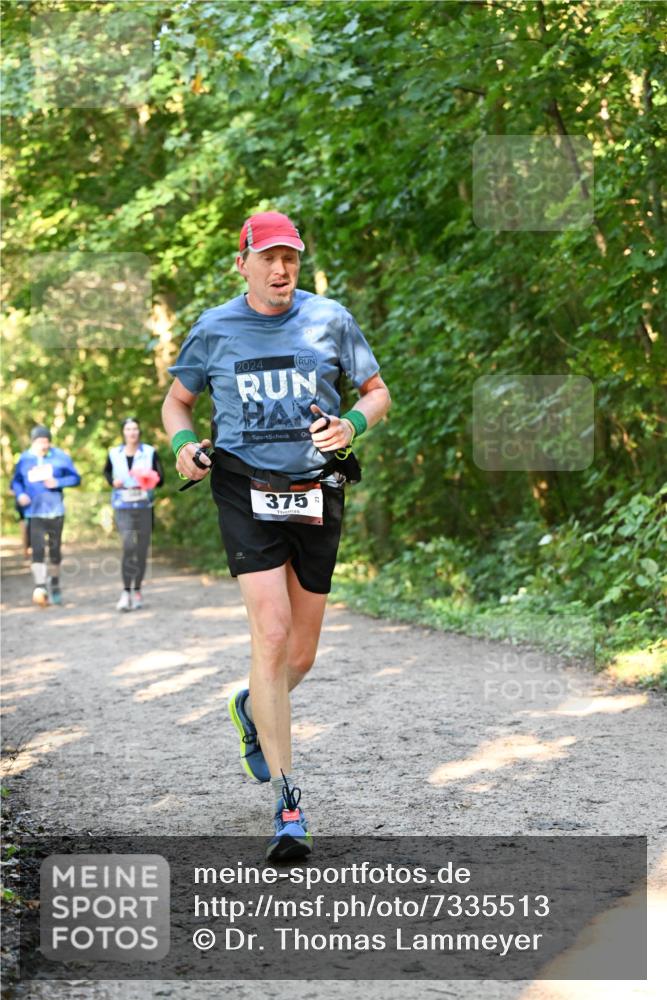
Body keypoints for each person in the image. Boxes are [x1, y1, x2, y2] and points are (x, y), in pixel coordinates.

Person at [162, 210, 391, 861]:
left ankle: (250, 706)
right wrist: (182, 443)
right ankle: (288, 804)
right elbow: (177, 401)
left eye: (289, 256)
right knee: (271, 632)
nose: (280, 268)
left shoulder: (329, 319)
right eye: (267, 257)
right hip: (243, 489)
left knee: (299, 657)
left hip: (317, 489)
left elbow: (376, 393)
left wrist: (351, 423)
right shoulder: (214, 329)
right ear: (243, 263)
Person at [10, 425, 81, 606]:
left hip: (55, 510)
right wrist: (20, 495)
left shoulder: (60, 457)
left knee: (55, 551)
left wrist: (58, 481)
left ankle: (55, 584)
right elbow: (16, 481)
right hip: (34, 512)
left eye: (46, 441)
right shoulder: (25, 459)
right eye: (39, 442)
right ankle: (40, 586)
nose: (43, 445)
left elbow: (76, 478)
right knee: (38, 551)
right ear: (32, 442)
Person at [103, 417, 164, 611]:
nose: (132, 432)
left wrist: (149, 479)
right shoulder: (114, 453)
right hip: (123, 506)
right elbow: (106, 473)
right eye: (128, 429)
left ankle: (136, 590)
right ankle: (125, 592)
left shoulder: (150, 452)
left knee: (141, 550)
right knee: (128, 546)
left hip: (144, 505)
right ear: (123, 432)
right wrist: (113, 482)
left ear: (139, 432)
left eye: (135, 429)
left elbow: (161, 478)